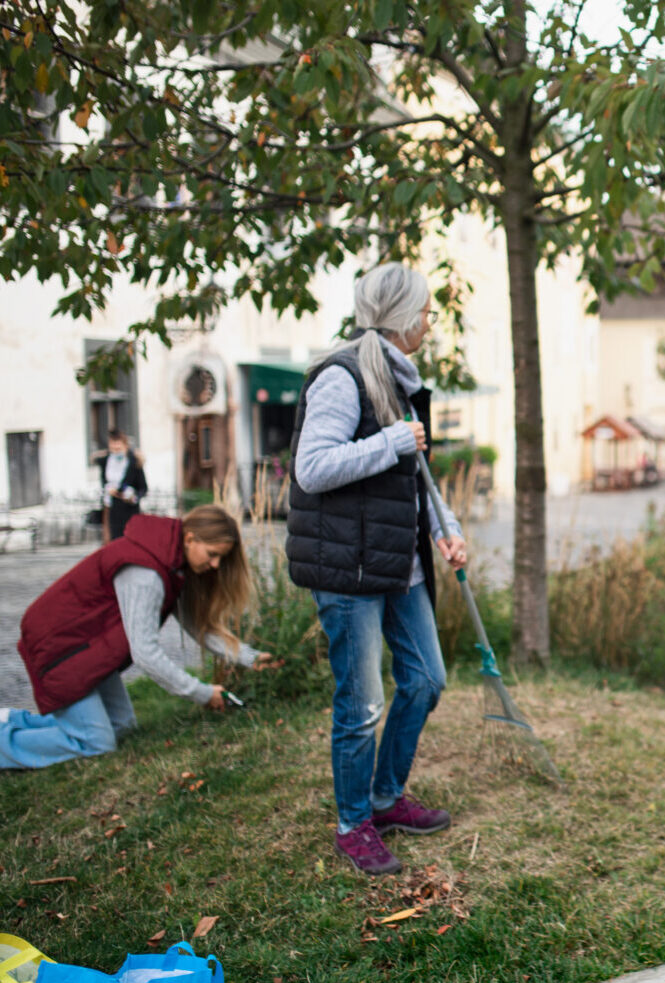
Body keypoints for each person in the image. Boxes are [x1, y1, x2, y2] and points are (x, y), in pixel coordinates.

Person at [286, 262, 466, 877]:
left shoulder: (401, 377)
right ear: (401, 316)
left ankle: (386, 798)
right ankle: (353, 822)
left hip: (400, 564)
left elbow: (412, 477)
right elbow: (313, 468)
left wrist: (448, 529)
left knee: (425, 682)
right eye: (425, 310)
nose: (430, 321)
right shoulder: (341, 378)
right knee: (360, 705)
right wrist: (390, 441)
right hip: (348, 570)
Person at [3, 505, 276, 770]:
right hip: (61, 648)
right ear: (191, 539)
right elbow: (145, 654)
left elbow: (198, 626)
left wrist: (250, 658)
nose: (215, 565)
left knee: (121, 726)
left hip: (88, 649)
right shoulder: (146, 573)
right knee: (96, 742)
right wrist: (202, 693)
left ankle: (11, 721)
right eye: (213, 554)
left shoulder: (171, 563)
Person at [93, 429, 149, 541]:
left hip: (128, 508)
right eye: (113, 448)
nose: (116, 451)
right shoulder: (105, 461)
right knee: (112, 540)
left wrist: (133, 496)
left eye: (118, 448)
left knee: (130, 539)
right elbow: (104, 481)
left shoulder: (134, 462)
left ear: (125, 446)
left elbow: (143, 488)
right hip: (110, 507)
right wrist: (108, 489)